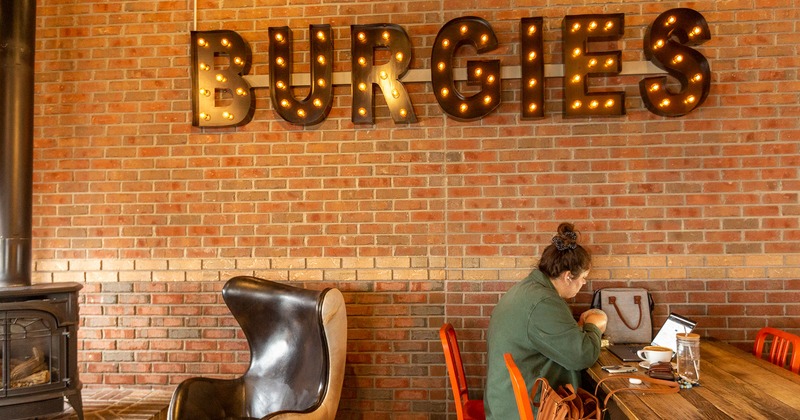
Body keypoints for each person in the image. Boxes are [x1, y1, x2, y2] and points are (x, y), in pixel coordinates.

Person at [484, 222, 608, 420]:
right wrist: (595, 325)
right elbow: (581, 356)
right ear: (568, 276)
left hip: (508, 401)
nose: (584, 283)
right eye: (583, 277)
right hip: (525, 409)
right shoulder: (544, 302)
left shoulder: (530, 289)